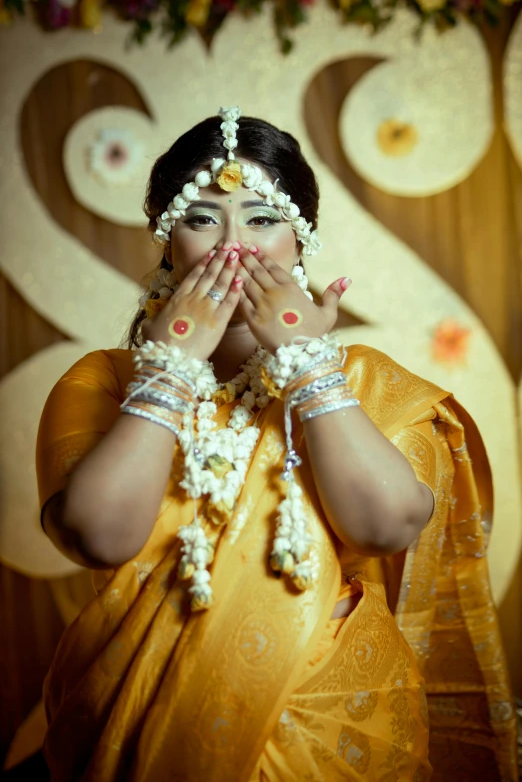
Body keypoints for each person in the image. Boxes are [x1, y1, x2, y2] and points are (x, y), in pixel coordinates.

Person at [36, 107, 517, 781]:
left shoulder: (361, 382)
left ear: (301, 240)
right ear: (167, 239)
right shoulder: (102, 384)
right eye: (204, 217)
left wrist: (309, 368)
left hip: (332, 725)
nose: (236, 247)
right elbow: (98, 535)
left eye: (263, 218)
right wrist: (170, 370)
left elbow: (385, 526)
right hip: (136, 719)